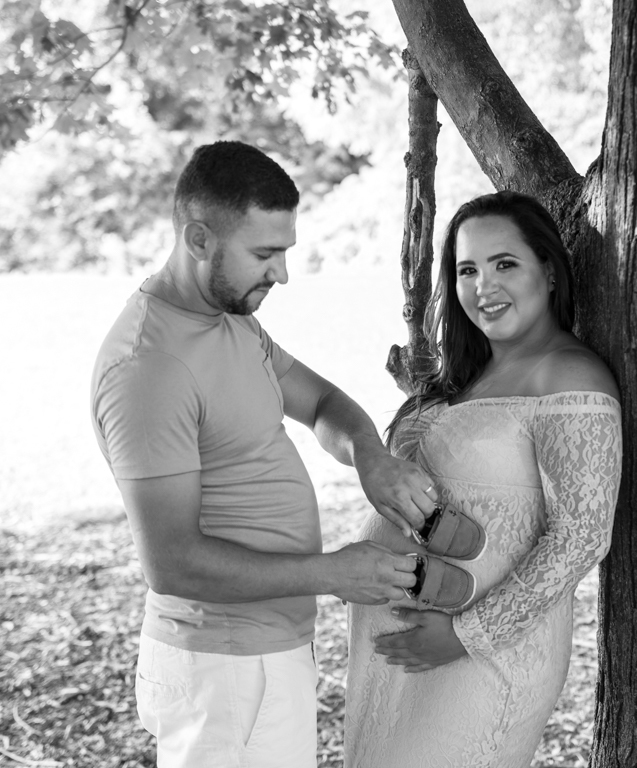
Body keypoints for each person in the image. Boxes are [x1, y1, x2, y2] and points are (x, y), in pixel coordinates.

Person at [90, 141, 438, 768]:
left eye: (284, 251)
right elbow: (172, 564)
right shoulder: (149, 366)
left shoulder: (231, 320)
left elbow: (322, 401)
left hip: (265, 651)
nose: (281, 274)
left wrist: (370, 457)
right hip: (220, 666)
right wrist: (334, 574)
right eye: (264, 254)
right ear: (199, 238)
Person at [344, 190, 623, 767]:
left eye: (504, 264)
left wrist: (464, 636)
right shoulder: (473, 374)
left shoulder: (568, 374)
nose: (483, 286)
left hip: (484, 654)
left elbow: (582, 536)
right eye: (467, 269)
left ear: (547, 270)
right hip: (405, 649)